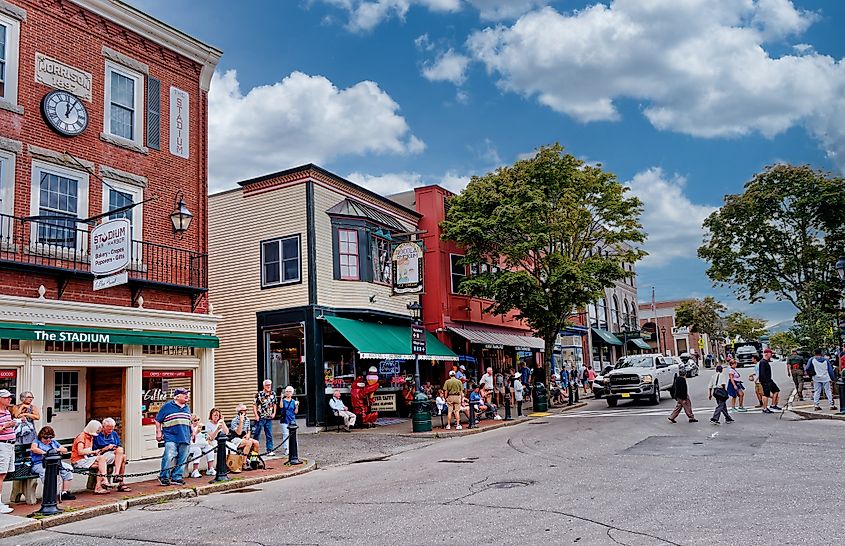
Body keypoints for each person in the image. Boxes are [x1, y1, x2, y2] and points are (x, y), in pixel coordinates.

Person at [155, 387, 192, 486]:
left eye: (187, 394)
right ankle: (164, 477)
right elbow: (158, 420)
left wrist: (192, 433)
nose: (187, 396)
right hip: (171, 436)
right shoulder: (167, 406)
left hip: (185, 436)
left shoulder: (187, 407)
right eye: (184, 394)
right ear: (177, 396)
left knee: (183, 457)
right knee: (168, 455)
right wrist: (158, 432)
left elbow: (189, 421)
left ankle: (177, 476)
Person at [30, 426, 76, 500]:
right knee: (45, 472)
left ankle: (65, 492)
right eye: (45, 438)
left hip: (55, 462)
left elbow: (64, 449)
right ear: (41, 436)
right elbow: (34, 448)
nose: (48, 440)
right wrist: (45, 453)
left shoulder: (53, 443)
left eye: (50, 438)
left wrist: (56, 450)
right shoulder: (36, 441)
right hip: (39, 463)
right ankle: (49, 493)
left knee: (68, 468)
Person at [71, 420, 112, 494]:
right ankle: (104, 479)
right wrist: (93, 452)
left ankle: (98, 487)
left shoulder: (90, 437)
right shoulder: (81, 437)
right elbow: (80, 451)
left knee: (101, 465)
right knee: (102, 459)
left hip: (86, 459)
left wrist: (95, 453)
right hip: (78, 461)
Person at [92, 417, 130, 490]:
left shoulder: (114, 434)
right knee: (123, 458)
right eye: (108, 429)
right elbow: (95, 451)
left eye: (112, 428)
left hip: (113, 453)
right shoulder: (97, 435)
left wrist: (114, 447)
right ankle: (120, 482)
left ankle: (116, 474)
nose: (110, 430)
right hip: (103, 455)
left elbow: (119, 445)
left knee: (120, 450)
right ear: (103, 427)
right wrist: (105, 448)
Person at [0, 389, 17, 513]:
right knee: (0, 474)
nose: (9, 399)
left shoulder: (7, 411)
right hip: (2, 446)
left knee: (4, 474)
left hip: (10, 445)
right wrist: (7, 425)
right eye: (6, 398)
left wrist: (14, 424)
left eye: (10, 397)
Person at [252, 379, 277, 457]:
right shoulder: (259, 394)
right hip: (261, 417)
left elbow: (274, 404)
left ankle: (269, 450)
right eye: (267, 385)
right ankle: (254, 452)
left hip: (269, 417)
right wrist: (256, 415)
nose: (269, 386)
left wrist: (274, 413)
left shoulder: (273, 394)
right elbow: (254, 405)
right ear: (264, 386)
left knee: (269, 434)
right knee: (257, 434)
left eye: (270, 385)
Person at [203, 408, 229, 476]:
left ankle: (227, 465)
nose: (216, 417)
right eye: (214, 415)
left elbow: (226, 432)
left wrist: (222, 422)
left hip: (222, 441)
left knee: (232, 447)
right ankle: (216, 467)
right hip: (213, 441)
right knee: (220, 448)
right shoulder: (208, 425)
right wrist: (217, 429)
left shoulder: (220, 422)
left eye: (217, 415)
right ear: (211, 416)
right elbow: (212, 437)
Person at [759, 348, 781, 413]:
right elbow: (762, 373)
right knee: (765, 394)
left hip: (769, 380)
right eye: (770, 353)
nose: (771, 355)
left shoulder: (766, 362)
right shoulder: (762, 362)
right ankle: (765, 408)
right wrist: (764, 381)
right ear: (766, 354)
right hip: (765, 381)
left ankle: (773, 404)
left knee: (776, 390)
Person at [278, 387, 298, 456]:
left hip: (292, 420)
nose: (288, 393)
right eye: (286, 391)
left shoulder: (293, 401)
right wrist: (281, 398)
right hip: (285, 419)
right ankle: (286, 449)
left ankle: (292, 448)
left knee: (292, 435)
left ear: (292, 393)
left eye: (289, 391)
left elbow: (295, 412)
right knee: (285, 434)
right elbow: (281, 407)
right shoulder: (283, 400)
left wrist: (297, 406)